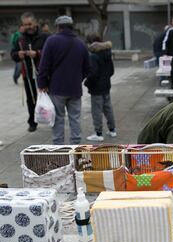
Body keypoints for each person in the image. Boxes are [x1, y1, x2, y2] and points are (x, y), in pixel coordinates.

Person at [37, 16, 90, 145]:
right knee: (75, 119)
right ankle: (76, 148)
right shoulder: (81, 43)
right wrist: (78, 79)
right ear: (71, 27)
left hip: (57, 88)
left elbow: (44, 65)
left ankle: (58, 148)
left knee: (58, 119)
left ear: (58, 27)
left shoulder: (51, 41)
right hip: (75, 89)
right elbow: (88, 68)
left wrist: (42, 83)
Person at [10, 12, 49, 132]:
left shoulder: (45, 36)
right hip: (28, 73)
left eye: (30, 24)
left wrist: (37, 53)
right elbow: (13, 54)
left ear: (35, 23)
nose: (28, 27)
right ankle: (32, 122)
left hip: (44, 73)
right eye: (25, 24)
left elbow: (51, 53)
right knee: (31, 98)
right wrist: (18, 54)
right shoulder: (21, 39)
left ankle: (52, 117)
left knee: (48, 96)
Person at [84, 33, 116, 142]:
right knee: (108, 108)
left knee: (96, 110)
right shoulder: (107, 53)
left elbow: (93, 74)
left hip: (96, 88)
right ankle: (112, 130)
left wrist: (87, 83)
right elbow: (111, 71)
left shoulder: (93, 55)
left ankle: (98, 133)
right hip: (106, 86)